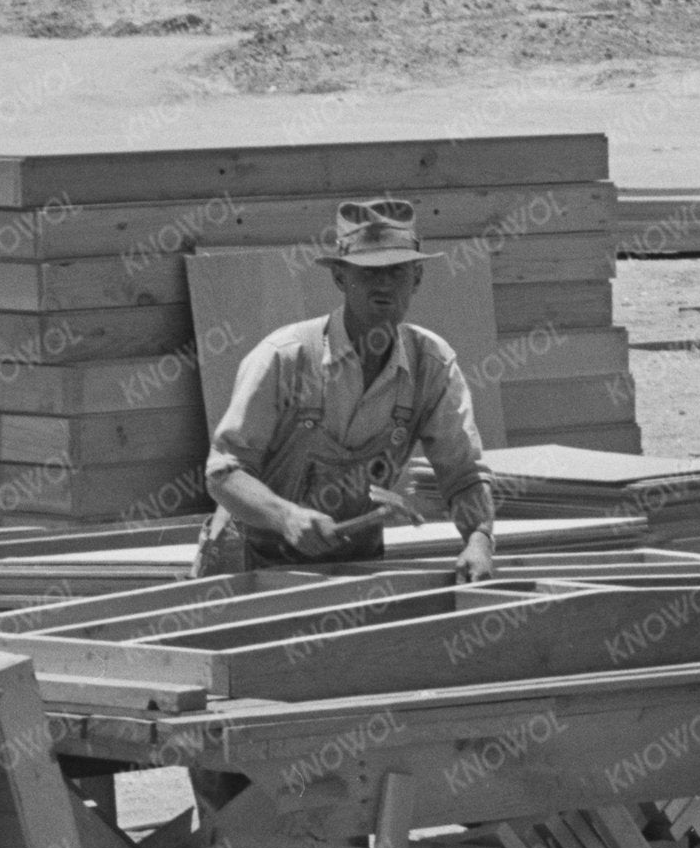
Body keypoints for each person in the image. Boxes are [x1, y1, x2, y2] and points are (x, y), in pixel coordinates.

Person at [198, 196, 494, 581]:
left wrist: (479, 539)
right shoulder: (285, 357)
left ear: (417, 279)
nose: (384, 284)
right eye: (368, 272)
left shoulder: (431, 364)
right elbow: (222, 473)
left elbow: (464, 474)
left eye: (398, 271)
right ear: (340, 277)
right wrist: (285, 516)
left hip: (355, 569)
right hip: (254, 567)